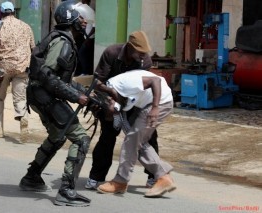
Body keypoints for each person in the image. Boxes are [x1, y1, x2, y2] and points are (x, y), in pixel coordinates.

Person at [19, 1, 92, 207]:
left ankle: (31, 177)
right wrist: (76, 96)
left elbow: (63, 80)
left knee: (57, 137)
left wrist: (86, 93)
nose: (85, 21)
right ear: (70, 18)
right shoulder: (63, 42)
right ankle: (66, 190)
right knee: (80, 140)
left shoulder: (64, 39)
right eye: (81, 17)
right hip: (45, 96)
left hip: (40, 95)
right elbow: (48, 77)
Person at [85, 30, 159, 190]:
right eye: (139, 52)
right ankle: (96, 177)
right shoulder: (111, 53)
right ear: (130, 48)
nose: (142, 56)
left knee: (149, 135)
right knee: (107, 138)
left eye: (144, 53)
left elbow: (145, 87)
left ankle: (154, 176)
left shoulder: (145, 61)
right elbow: (98, 82)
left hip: (134, 100)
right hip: (110, 98)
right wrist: (111, 97)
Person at [96, 70, 176, 197]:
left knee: (131, 141)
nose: (111, 108)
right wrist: (111, 112)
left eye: (109, 104)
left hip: (160, 103)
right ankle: (163, 177)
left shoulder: (124, 84)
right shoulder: (115, 95)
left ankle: (120, 181)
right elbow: (114, 116)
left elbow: (157, 80)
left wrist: (155, 108)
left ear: (110, 96)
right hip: (145, 104)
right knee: (136, 141)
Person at [0, 1, 35, 139]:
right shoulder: (26, 26)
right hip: (22, 67)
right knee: (20, 97)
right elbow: (33, 47)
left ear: (2, 13)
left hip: (3, 68)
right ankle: (22, 117)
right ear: (14, 12)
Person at [74, 0, 95, 76]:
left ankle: (85, 73)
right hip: (88, 37)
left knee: (82, 54)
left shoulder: (81, 8)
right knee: (85, 55)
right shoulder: (89, 9)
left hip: (89, 37)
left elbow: (94, 26)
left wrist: (88, 38)